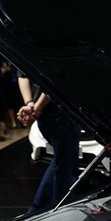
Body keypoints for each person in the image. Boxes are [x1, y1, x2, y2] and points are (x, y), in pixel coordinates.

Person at [17, 76, 81, 211]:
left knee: (60, 161)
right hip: (59, 113)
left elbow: (22, 76)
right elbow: (54, 81)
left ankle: (38, 207)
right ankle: (60, 210)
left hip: (45, 116)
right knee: (65, 168)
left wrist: (30, 104)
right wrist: (37, 108)